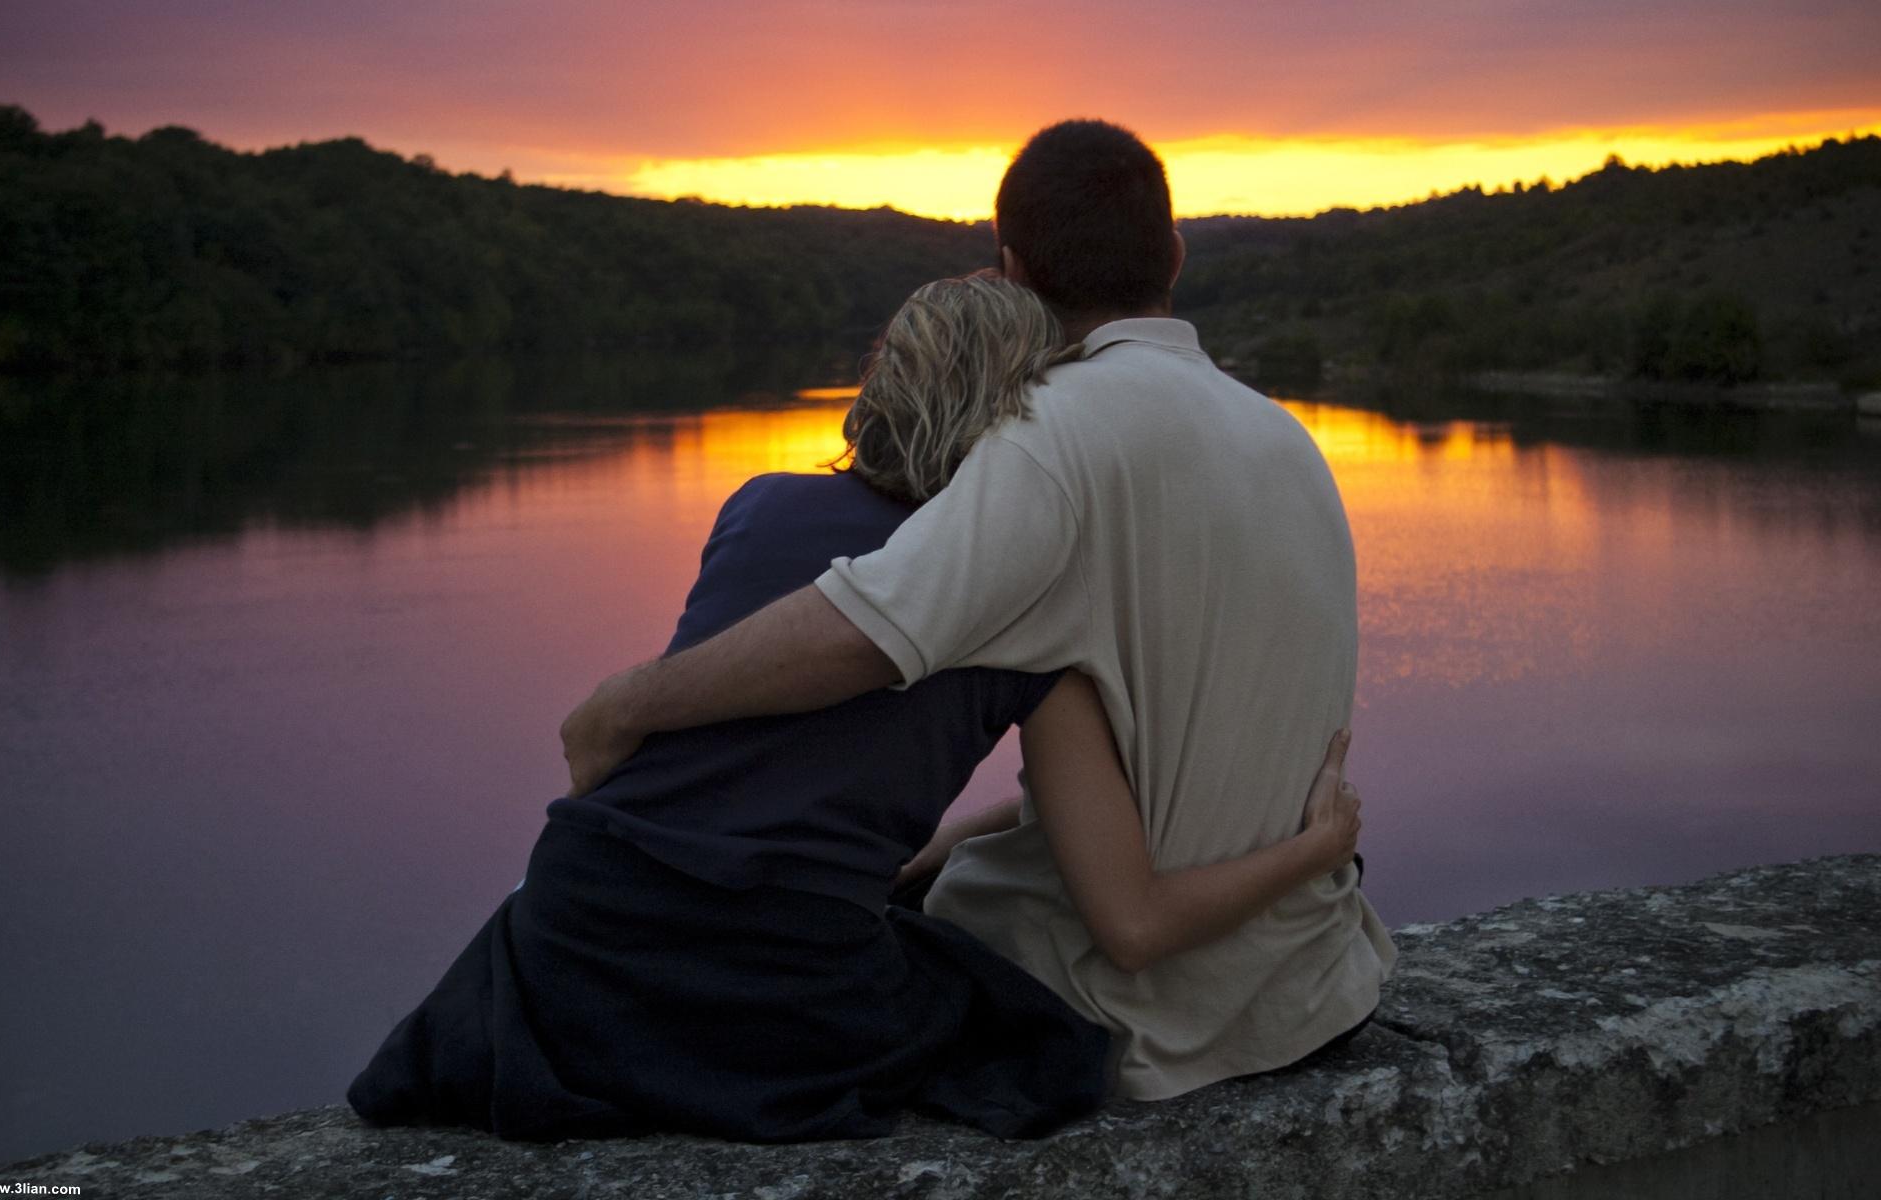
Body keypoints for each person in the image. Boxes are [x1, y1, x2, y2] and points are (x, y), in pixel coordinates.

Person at [349, 272, 1366, 1144]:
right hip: (774, 977)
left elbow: (774, 767)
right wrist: (1315, 848)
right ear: (1026, 415)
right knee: (1034, 1036)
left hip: (574, 927)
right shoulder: (1025, 603)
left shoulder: (756, 506)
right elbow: (1131, 917)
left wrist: (915, 859)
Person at [559, 119, 1400, 1101]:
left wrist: (627, 706)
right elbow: (1154, 769)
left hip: (1146, 1020)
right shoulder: (1287, 440)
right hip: (1312, 987)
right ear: (1172, 253)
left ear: (1008, 268)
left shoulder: (1053, 435)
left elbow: (864, 628)